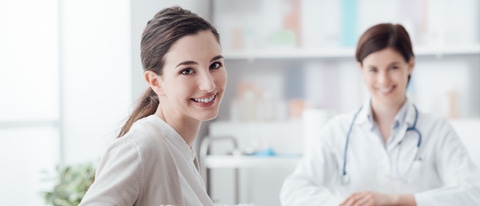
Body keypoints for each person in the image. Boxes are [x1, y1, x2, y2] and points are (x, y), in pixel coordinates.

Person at [280, 23, 480, 206]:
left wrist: (400, 201)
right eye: (373, 70)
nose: (383, 80)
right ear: (361, 70)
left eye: (393, 67)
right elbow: (293, 190)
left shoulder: (437, 130)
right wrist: (344, 204)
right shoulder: (338, 130)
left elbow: (473, 193)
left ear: (410, 65)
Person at [79, 6, 227, 206]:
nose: (208, 84)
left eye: (215, 65)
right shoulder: (141, 147)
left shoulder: (181, 150)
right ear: (155, 82)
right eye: (188, 71)